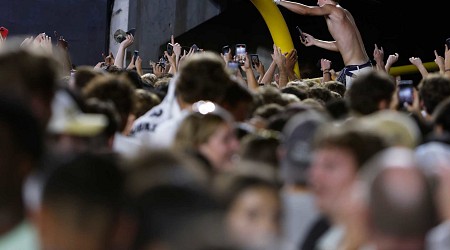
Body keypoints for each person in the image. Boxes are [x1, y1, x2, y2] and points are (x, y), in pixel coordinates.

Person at [274, 0, 372, 89]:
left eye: (319, 0)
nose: (317, 3)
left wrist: (278, 1)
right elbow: (342, 46)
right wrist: (315, 41)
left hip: (356, 71)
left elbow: (306, 10)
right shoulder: (345, 13)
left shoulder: (331, 9)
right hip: (365, 67)